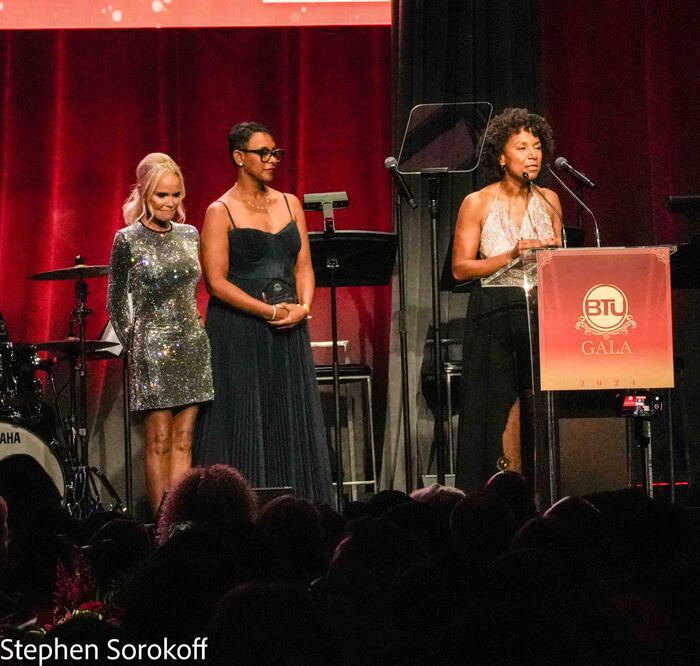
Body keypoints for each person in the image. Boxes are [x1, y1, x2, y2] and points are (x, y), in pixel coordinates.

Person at [193, 122, 333, 505]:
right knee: (244, 417)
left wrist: (302, 309)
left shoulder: (290, 202)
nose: (273, 160)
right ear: (239, 157)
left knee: (288, 417)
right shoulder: (220, 211)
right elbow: (216, 282)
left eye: (276, 153)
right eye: (264, 153)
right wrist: (269, 311)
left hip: (289, 325)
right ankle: (241, 510)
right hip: (239, 329)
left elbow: (304, 266)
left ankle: (298, 510)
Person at [452, 108, 562, 492]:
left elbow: (560, 263)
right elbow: (461, 269)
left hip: (540, 314)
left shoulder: (550, 200)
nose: (532, 154)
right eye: (521, 147)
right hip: (494, 314)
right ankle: (499, 492)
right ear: (501, 156)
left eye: (537, 147)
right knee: (499, 407)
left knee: (539, 407)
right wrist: (512, 255)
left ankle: (543, 488)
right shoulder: (477, 202)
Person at [108, 153, 214, 513]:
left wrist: (196, 327)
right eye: (161, 196)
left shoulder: (189, 235)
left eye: (176, 195)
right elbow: (116, 301)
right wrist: (134, 343)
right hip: (152, 349)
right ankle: (162, 525)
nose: (170, 203)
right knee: (159, 441)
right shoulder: (128, 240)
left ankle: (181, 521)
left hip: (192, 346)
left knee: (184, 440)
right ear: (145, 195)